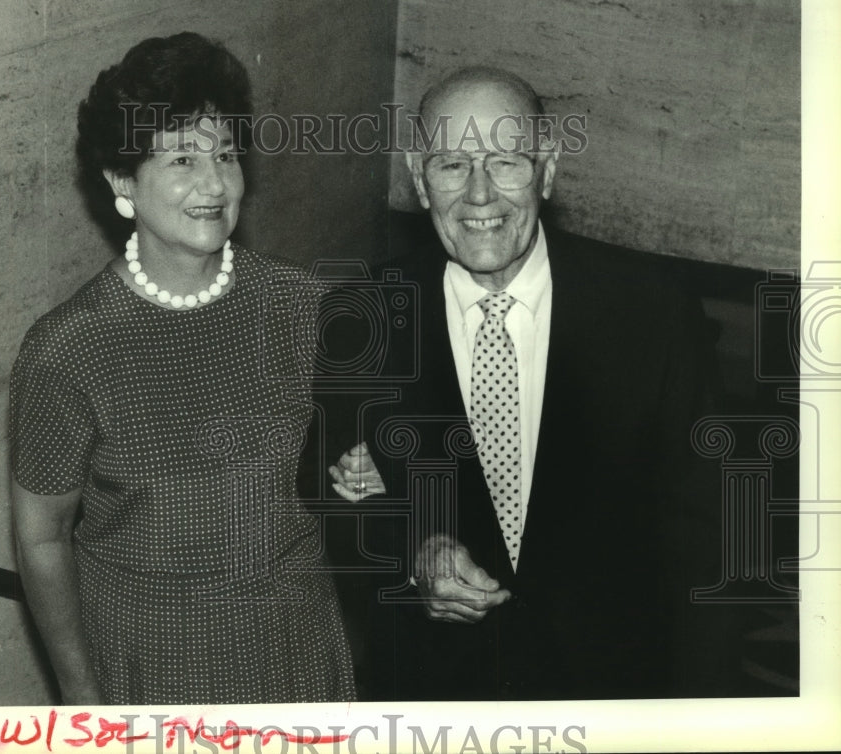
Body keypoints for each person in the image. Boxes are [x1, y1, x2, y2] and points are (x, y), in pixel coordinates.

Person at [311, 66, 737, 700]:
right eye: (453, 165)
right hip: (433, 699)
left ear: (547, 168)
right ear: (418, 179)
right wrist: (410, 549)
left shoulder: (652, 312)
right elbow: (325, 487)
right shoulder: (360, 319)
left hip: (612, 699)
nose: (479, 196)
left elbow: (709, 543)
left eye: (505, 162)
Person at [9, 32, 356, 705]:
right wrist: (82, 695)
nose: (214, 182)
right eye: (181, 158)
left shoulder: (304, 305)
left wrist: (362, 473)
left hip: (295, 645)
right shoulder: (67, 350)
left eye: (226, 154)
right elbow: (41, 537)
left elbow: (345, 468)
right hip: (154, 662)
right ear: (121, 181)